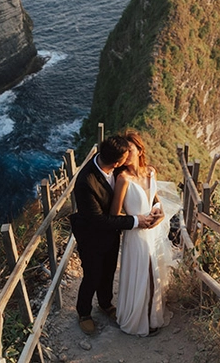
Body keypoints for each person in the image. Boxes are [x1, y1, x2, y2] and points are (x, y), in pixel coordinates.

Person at [69, 135, 159, 335]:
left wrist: (155, 206)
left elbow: (144, 187)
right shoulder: (86, 182)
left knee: (109, 270)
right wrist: (136, 221)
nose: (128, 160)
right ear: (117, 162)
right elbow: (98, 220)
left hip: (112, 231)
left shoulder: (116, 167)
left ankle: (105, 303)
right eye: (125, 158)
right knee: (92, 275)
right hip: (91, 234)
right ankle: (83, 313)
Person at [111, 130, 173, 336]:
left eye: (130, 150)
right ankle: (138, 319)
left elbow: (155, 199)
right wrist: (137, 221)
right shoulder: (122, 179)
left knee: (153, 273)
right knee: (142, 274)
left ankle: (152, 316)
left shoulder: (151, 172)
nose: (126, 156)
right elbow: (115, 214)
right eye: (124, 152)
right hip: (136, 234)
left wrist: (160, 212)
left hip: (153, 231)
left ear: (139, 150)